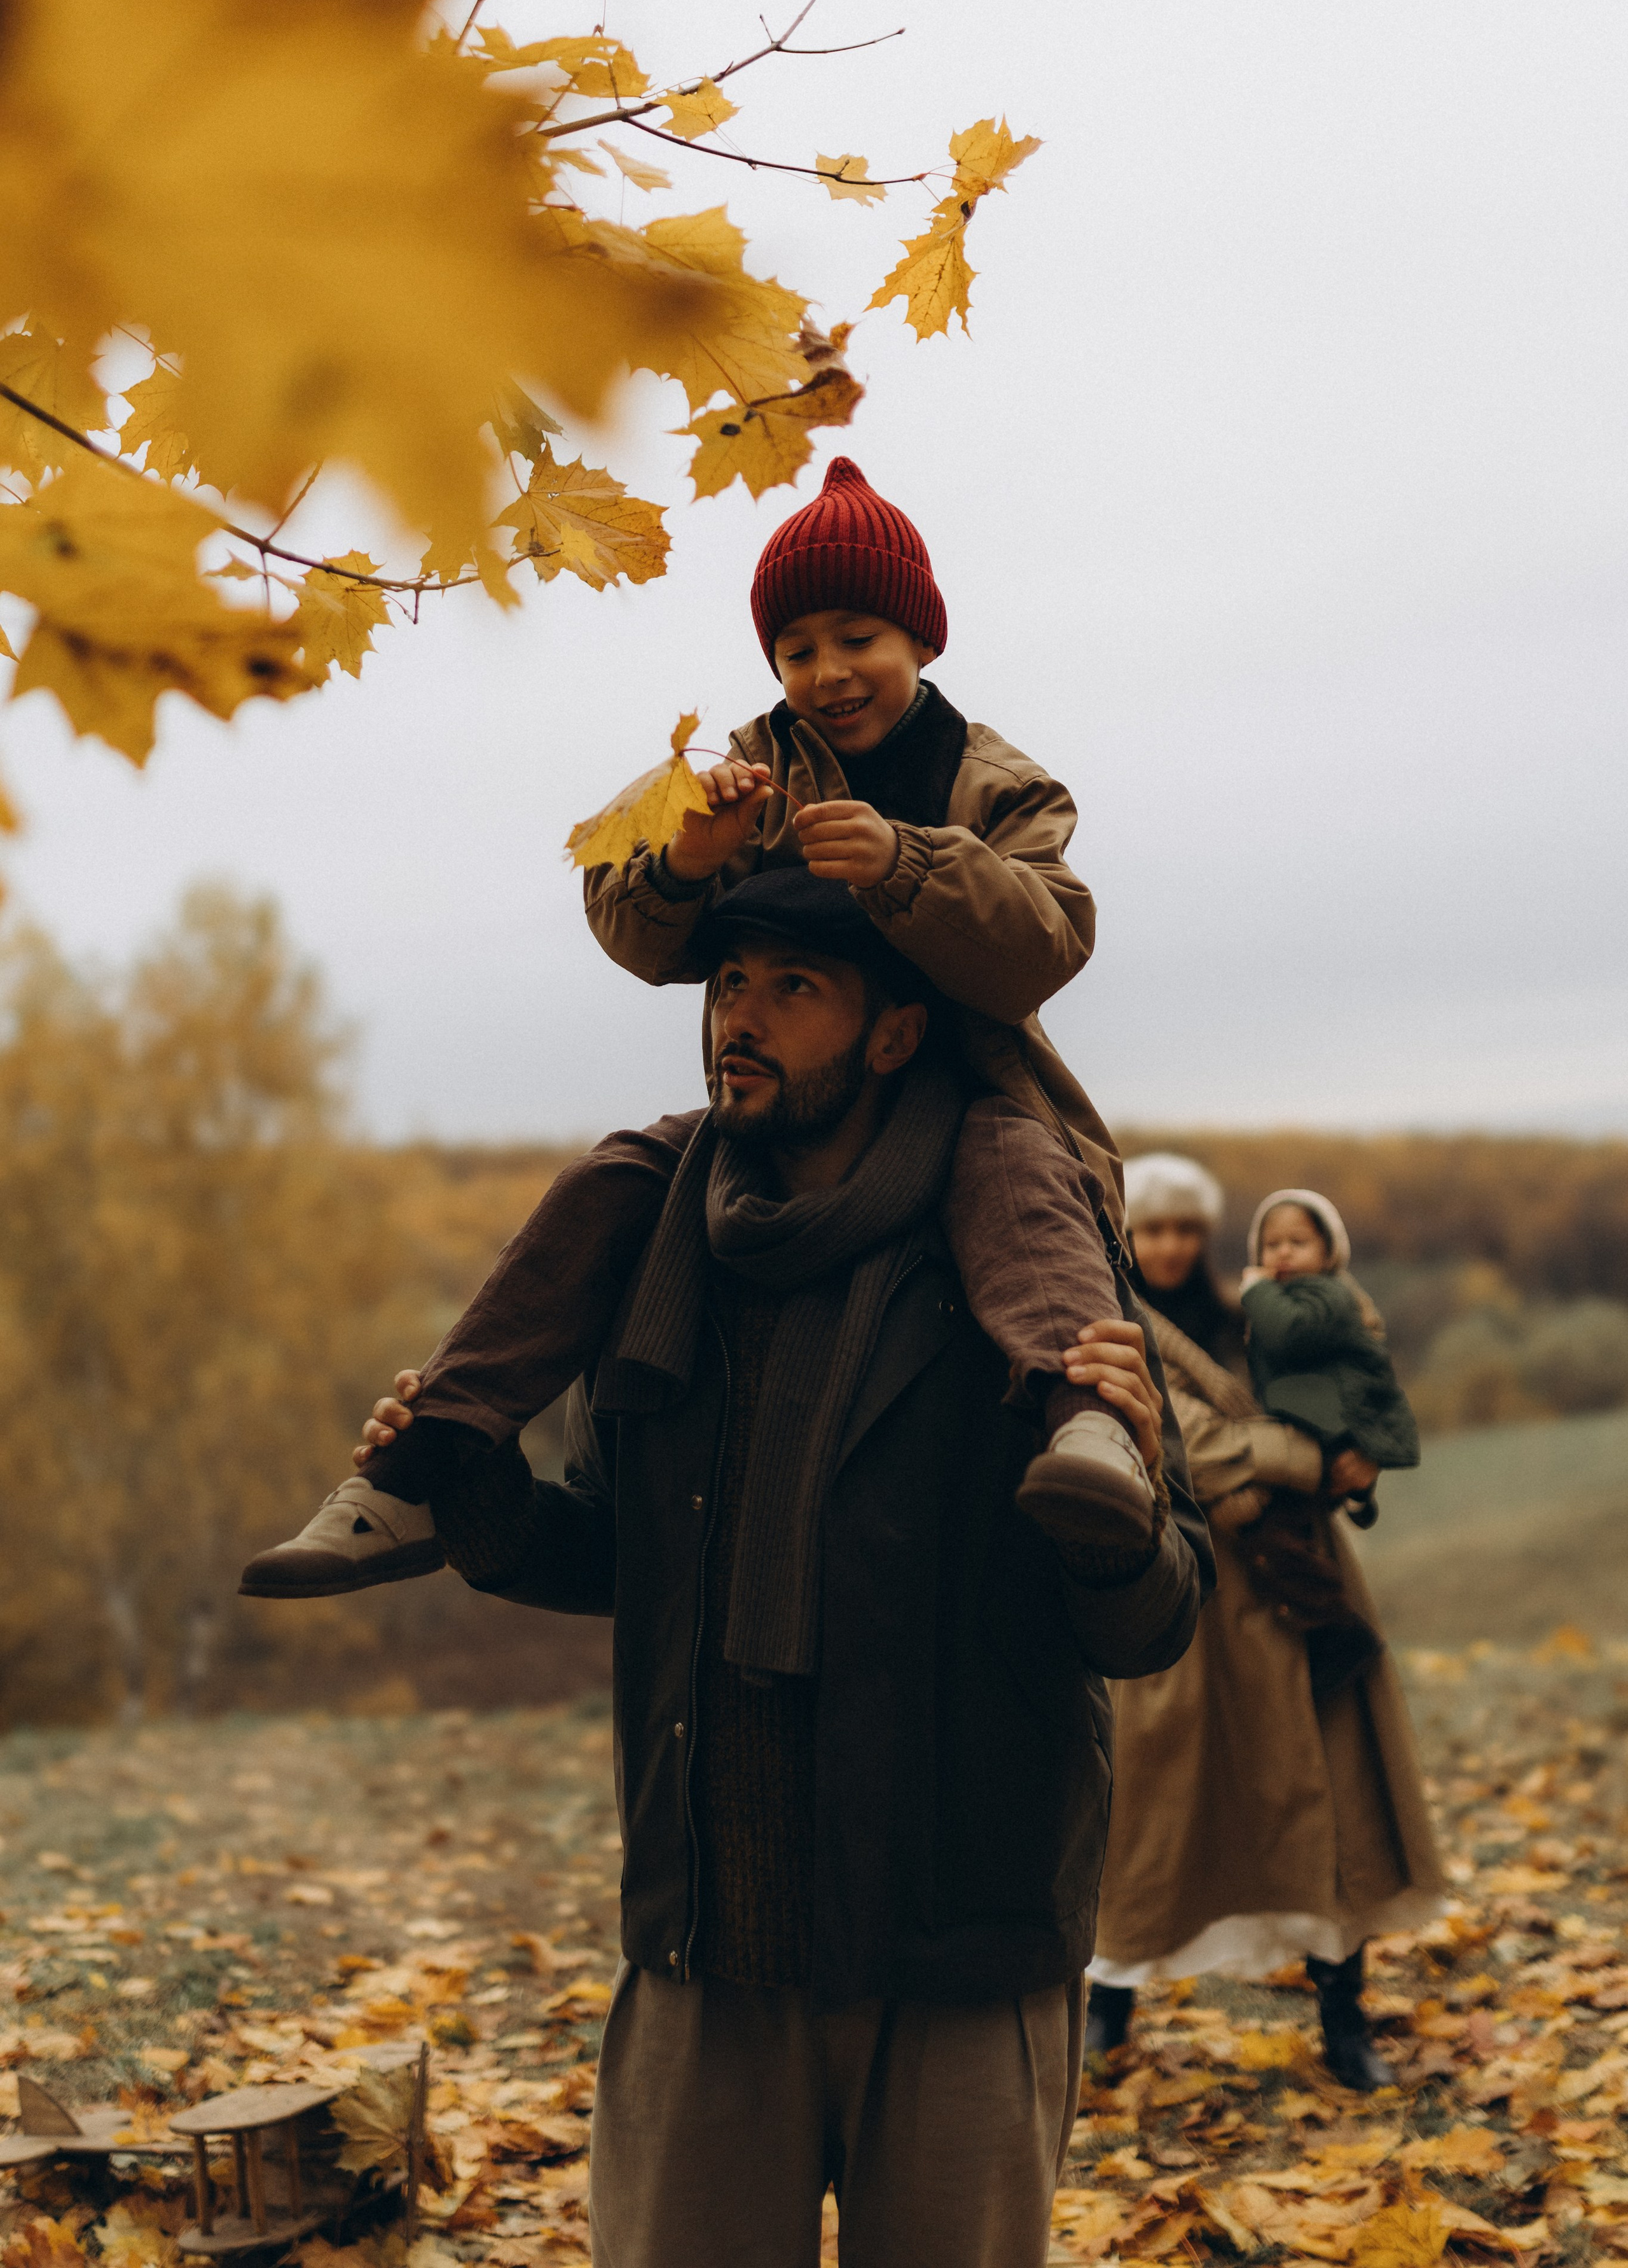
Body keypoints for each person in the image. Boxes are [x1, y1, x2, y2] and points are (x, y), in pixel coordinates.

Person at [292, 872, 1214, 2268]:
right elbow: (620, 1551)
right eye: (730, 983)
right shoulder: (666, 1258)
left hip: (958, 1951)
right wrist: (476, 1493)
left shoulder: (1018, 1255)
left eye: (794, 987)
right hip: (705, 1949)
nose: (742, 1017)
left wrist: (1130, 1521)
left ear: (894, 1033)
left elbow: (1153, 1622)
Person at [244, 458, 1161, 1592]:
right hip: (782, 1102)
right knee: (616, 1179)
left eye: (858, 637)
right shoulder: (743, 771)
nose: (828, 672)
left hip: (962, 1090)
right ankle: (423, 1461)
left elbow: (1045, 942)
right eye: (797, 650)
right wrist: (686, 862)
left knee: (1020, 1187)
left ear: (922, 640)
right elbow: (634, 931)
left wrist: (907, 863)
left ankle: (1089, 1425)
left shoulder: (996, 785)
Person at [1066, 1153, 1444, 2092]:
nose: (1168, 1246)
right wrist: (1302, 1457)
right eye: (1152, 1229)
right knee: (1153, 1803)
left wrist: (1354, 1451)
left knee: (1330, 1787)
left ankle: (1343, 2013)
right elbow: (1180, 1444)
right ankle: (1110, 2002)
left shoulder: (1255, 1315)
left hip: (1296, 1580)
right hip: (1187, 1582)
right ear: (1127, 1234)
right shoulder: (1109, 1321)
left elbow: (1335, 1390)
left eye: (1184, 1230)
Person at [1242, 1188, 1422, 1485]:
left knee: (1344, 1479)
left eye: (1298, 1242)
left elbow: (1291, 1334)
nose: (1284, 1252)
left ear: (1328, 1252)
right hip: (1308, 1430)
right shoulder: (1274, 1301)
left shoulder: (1331, 1294)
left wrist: (1255, 1290)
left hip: (1347, 1424)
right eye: (1272, 1245)